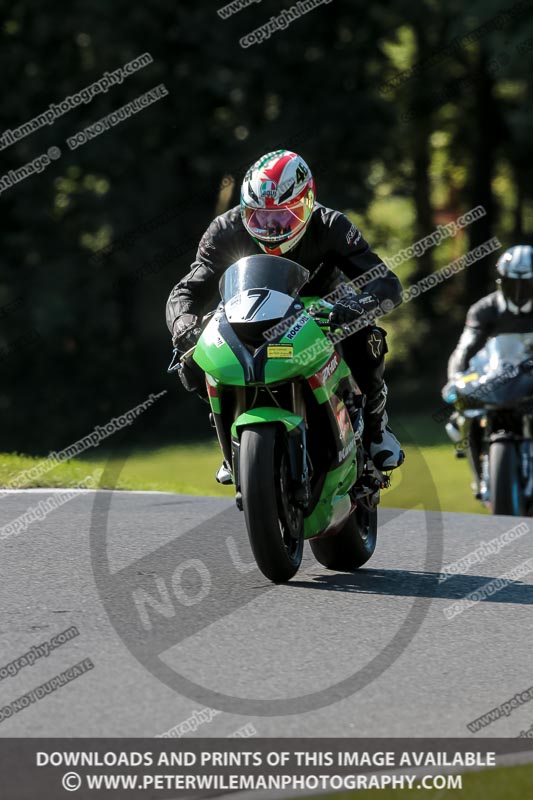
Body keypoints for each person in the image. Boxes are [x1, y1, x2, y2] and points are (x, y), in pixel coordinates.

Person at [166, 149, 404, 482]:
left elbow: (385, 282)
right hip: (248, 317)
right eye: (260, 217)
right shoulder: (224, 230)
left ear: (307, 204)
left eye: (284, 216)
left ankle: (377, 429)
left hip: (325, 311)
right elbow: (186, 292)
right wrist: (185, 326)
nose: (272, 227)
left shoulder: (332, 225)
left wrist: (356, 307)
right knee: (191, 361)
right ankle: (230, 443)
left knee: (367, 338)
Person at [447, 245, 533, 494]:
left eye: (527, 284)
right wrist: (455, 378)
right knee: (461, 415)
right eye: (512, 283)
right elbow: (465, 348)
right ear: (501, 281)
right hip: (499, 377)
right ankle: (482, 477)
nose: (519, 292)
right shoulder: (484, 310)